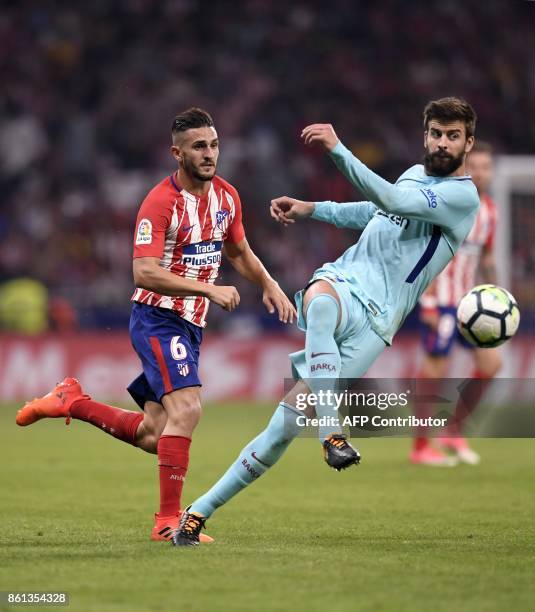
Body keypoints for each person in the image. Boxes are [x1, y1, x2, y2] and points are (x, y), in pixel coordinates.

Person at [172, 97, 481, 546]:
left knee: (280, 430)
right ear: (426, 135)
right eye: (436, 133)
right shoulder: (415, 176)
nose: (442, 142)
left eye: (453, 136)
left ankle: (199, 510)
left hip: (378, 322)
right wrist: (313, 208)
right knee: (318, 304)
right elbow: (376, 211)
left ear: (468, 143)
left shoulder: (461, 196)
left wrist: (338, 149)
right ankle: (332, 431)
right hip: (345, 280)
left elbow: (391, 198)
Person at [15, 107, 296, 543]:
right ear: (177, 153)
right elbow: (143, 272)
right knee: (189, 409)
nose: (209, 154)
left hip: (190, 325)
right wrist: (209, 290)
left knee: (154, 434)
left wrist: (269, 284)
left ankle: (71, 402)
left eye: (214, 145)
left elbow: (238, 251)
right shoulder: (159, 202)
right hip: (158, 318)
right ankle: (168, 521)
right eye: (199, 146)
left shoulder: (226, 197)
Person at [411, 141, 501, 466]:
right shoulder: (448, 206)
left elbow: (487, 256)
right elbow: (429, 253)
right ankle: (421, 446)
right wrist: (429, 303)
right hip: (442, 300)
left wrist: (496, 294)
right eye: (474, 166)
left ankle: (453, 430)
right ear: (464, 168)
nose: (480, 173)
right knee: (435, 367)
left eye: (486, 167)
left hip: (470, 304)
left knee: (491, 364)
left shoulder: (490, 211)